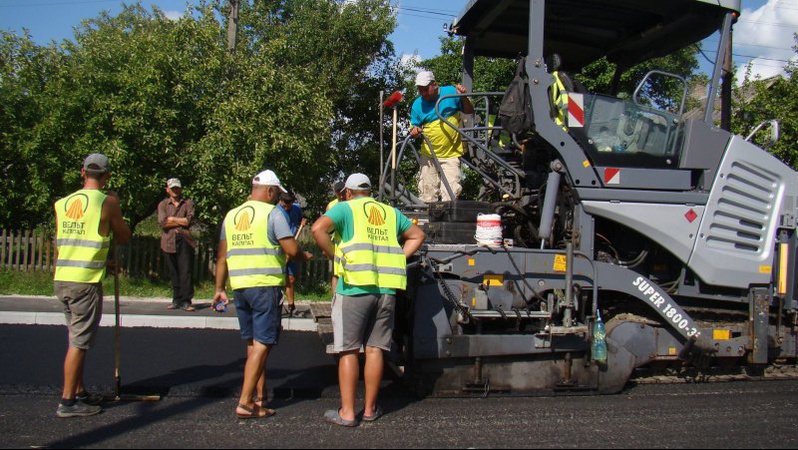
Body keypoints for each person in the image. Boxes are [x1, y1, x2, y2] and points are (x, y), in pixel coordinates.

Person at [311, 173, 425, 427]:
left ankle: (348, 413)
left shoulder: (345, 208)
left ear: (349, 193)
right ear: (370, 191)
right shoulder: (390, 212)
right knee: (376, 350)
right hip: (386, 290)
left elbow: (317, 229)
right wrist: (398, 257)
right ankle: (371, 409)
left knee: (349, 349)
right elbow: (417, 235)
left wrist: (335, 256)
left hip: (354, 288)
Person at [212, 169, 312, 419]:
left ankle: (259, 396)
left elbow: (222, 256)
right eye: (277, 192)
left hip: (240, 287)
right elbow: (289, 246)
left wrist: (218, 289)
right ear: (269, 191)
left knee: (252, 343)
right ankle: (245, 402)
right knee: (265, 342)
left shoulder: (232, 215)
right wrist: (302, 255)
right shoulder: (272, 213)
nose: (278, 197)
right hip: (265, 285)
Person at [53, 153, 131, 418]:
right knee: (79, 342)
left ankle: (79, 391)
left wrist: (103, 263)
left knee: (74, 336)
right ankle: (68, 402)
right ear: (107, 176)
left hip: (63, 277)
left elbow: (74, 242)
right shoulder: (106, 202)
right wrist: (116, 207)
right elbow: (123, 236)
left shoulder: (62, 203)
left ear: (82, 172)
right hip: (84, 283)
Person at [409, 70, 474, 203]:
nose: (423, 93)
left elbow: (469, 110)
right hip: (428, 155)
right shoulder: (417, 104)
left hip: (451, 154)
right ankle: (427, 220)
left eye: (425, 89)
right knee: (427, 193)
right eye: (420, 90)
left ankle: (447, 221)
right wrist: (414, 131)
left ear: (434, 85)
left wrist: (463, 96)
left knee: (451, 193)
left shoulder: (451, 92)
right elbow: (413, 127)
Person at [157, 178, 197, 311]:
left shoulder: (188, 203)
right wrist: (181, 221)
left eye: (177, 188)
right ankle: (176, 299)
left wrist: (172, 219)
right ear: (167, 189)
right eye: (172, 188)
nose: (175, 191)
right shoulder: (163, 204)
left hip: (184, 239)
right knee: (173, 272)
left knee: (185, 271)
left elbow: (189, 221)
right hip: (168, 240)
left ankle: (186, 301)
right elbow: (163, 223)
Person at [277, 190, 306, 314]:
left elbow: (300, 220)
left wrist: (302, 223)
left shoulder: (296, 209)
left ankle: (291, 306)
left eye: (289, 203)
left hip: (292, 246)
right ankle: (275, 305)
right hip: (279, 248)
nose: (286, 205)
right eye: (284, 202)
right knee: (277, 278)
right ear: (280, 200)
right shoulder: (275, 212)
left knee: (290, 278)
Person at [326, 181, 347, 295]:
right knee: (335, 273)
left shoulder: (351, 202)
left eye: (343, 193)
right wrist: (327, 246)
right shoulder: (331, 206)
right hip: (336, 244)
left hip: (349, 244)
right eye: (338, 193)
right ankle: (334, 299)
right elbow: (326, 229)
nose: (341, 196)